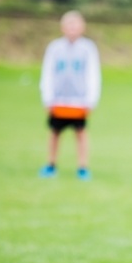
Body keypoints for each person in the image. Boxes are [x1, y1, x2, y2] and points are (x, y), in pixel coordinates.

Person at [38, 10, 101, 181]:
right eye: (69, 25)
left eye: (76, 25)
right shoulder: (54, 48)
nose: (72, 28)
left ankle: (83, 167)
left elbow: (93, 74)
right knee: (55, 132)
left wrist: (91, 99)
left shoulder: (88, 48)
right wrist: (47, 97)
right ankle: (51, 165)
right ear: (62, 27)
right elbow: (48, 73)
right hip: (58, 100)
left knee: (80, 132)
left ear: (82, 27)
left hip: (79, 101)